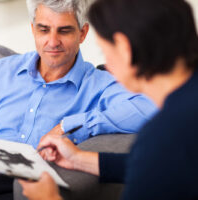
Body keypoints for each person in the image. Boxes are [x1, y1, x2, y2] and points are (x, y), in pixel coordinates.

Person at [0, 0, 156, 200]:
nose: (52, 42)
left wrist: (72, 125)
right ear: (33, 29)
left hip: (22, 190)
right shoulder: (2, 71)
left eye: (64, 31)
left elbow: (151, 109)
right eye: (44, 29)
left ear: (83, 33)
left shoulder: (98, 84)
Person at [19, 0, 198, 199]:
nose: (108, 66)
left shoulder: (164, 134)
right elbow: (159, 165)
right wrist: (79, 159)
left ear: (124, 48)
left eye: (105, 51)